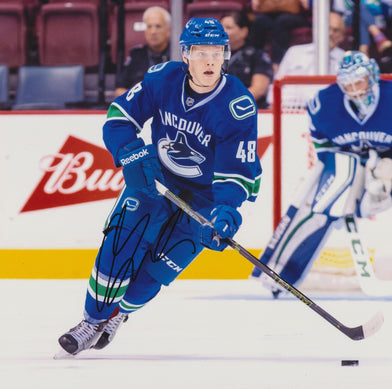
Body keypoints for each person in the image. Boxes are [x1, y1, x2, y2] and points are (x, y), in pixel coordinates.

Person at [57, 17, 262, 356]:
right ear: (186, 54)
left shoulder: (237, 107)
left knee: (159, 269)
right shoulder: (161, 78)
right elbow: (119, 118)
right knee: (122, 240)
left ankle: (119, 314)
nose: (210, 61)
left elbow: (236, 171)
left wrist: (225, 212)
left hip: (205, 196)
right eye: (200, 52)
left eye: (217, 52)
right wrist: (130, 153)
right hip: (155, 177)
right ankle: (91, 321)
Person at [251, 51, 392, 300]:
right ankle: (277, 270)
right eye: (347, 84)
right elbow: (325, 148)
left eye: (358, 81)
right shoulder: (324, 104)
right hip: (350, 161)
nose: (354, 89)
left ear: (372, 76)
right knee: (316, 204)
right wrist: (348, 181)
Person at [265, 11, 346, 108]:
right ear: (317, 29)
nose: (330, 33)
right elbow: (276, 86)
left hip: (330, 112)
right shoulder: (295, 52)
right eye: (327, 28)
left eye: (336, 30)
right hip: (291, 110)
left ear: (342, 36)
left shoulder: (346, 59)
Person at [114, 6, 172, 98]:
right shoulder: (136, 55)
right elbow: (119, 89)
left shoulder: (177, 54)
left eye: (158, 26)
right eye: (149, 26)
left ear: (168, 31)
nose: (153, 31)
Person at [220, 10, 274, 109]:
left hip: (249, 111)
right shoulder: (211, 56)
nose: (222, 32)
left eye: (228, 28)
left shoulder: (257, 56)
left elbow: (259, 89)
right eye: (220, 27)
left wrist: (231, 104)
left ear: (244, 31)